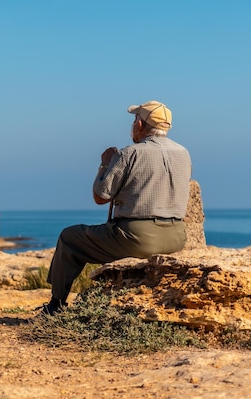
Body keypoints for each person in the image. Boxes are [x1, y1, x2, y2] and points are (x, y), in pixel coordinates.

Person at [41, 100, 192, 315]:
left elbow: (100, 196)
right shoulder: (183, 153)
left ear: (140, 124)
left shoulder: (129, 153)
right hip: (176, 237)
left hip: (137, 238)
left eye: (134, 119)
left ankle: (56, 305)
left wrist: (105, 163)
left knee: (70, 237)